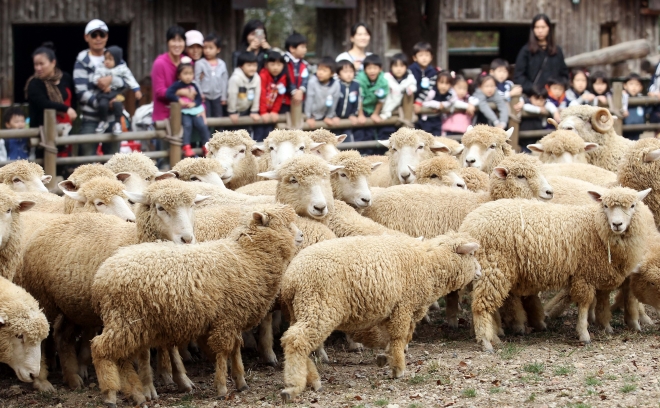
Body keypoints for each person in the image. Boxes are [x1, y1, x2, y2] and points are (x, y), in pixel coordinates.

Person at [73, 19, 120, 155]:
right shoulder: (81, 62)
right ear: (86, 37)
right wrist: (103, 103)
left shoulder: (115, 57)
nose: (98, 38)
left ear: (107, 36)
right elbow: (81, 92)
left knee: (114, 161)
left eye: (102, 34)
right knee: (87, 161)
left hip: (112, 119)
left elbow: (126, 82)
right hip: (90, 118)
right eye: (94, 35)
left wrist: (111, 79)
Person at [91, 46, 142, 135]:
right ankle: (103, 121)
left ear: (117, 60)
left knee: (118, 104)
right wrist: (101, 84)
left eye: (110, 59)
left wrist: (136, 90)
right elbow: (95, 78)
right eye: (106, 58)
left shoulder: (122, 69)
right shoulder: (101, 67)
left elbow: (130, 79)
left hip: (117, 93)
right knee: (102, 104)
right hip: (104, 92)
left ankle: (117, 123)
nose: (107, 61)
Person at [514, 14, 569, 96]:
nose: (540, 31)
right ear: (533, 29)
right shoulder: (526, 51)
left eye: (543, 27)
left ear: (549, 28)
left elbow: (564, 74)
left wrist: (557, 88)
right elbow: (518, 76)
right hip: (533, 96)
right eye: (537, 27)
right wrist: (532, 88)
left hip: (553, 97)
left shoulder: (557, 51)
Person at [27, 43, 77, 131]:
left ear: (53, 62)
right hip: (42, 131)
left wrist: (71, 112)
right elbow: (44, 103)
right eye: (36, 64)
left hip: (67, 127)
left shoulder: (65, 78)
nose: (38, 68)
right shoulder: (34, 83)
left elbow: (73, 99)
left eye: (41, 64)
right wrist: (66, 109)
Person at [166, 57, 209, 157]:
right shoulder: (177, 85)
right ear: (179, 75)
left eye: (190, 73)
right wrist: (178, 99)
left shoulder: (194, 84)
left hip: (194, 110)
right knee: (187, 125)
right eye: (185, 74)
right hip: (184, 111)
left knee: (202, 125)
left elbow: (198, 98)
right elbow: (168, 94)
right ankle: (186, 146)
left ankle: (206, 145)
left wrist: (195, 103)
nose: (188, 76)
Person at [152, 26, 187, 123]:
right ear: (167, 42)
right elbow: (159, 92)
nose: (177, 45)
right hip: (163, 118)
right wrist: (181, 92)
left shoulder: (187, 62)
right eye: (173, 40)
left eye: (180, 41)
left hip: (186, 116)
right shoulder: (160, 63)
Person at [355, 54, 388, 144]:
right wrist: (360, 114)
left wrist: (375, 113)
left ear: (380, 69)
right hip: (361, 108)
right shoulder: (359, 80)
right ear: (365, 69)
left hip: (374, 108)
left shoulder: (383, 81)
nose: (372, 71)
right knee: (360, 132)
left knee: (374, 132)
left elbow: (381, 99)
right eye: (369, 68)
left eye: (375, 68)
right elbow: (359, 99)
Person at [256, 51, 288, 142]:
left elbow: (280, 96)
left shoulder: (283, 78)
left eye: (279, 65)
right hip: (260, 112)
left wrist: (275, 111)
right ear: (266, 65)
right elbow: (261, 94)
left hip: (271, 112)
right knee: (258, 135)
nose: (275, 67)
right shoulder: (263, 75)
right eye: (272, 64)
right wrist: (263, 111)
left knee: (269, 136)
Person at [195, 33, 228, 120]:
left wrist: (224, 97)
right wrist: (200, 94)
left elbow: (224, 81)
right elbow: (197, 80)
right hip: (204, 97)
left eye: (211, 48)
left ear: (218, 49)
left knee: (219, 117)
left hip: (218, 96)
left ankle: (220, 134)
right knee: (207, 117)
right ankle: (208, 134)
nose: (207, 51)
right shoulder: (200, 64)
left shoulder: (222, 64)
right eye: (205, 48)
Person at [227, 52, 261, 128]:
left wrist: (254, 111)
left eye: (255, 65)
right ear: (241, 66)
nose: (252, 68)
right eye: (249, 65)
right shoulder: (235, 79)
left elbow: (257, 94)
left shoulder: (257, 78)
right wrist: (232, 112)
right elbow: (232, 95)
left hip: (247, 110)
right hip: (236, 109)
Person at [304, 57, 340, 129]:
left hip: (324, 115)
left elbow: (334, 101)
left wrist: (329, 116)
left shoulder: (336, 85)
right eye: (319, 69)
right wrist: (308, 117)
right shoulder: (312, 82)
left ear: (332, 73)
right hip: (312, 116)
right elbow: (309, 100)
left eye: (324, 71)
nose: (320, 72)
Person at [419, 70, 453, 136]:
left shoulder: (449, 94)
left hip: (437, 119)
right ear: (437, 82)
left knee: (438, 138)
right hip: (427, 120)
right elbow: (424, 103)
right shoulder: (432, 92)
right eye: (441, 83)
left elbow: (451, 101)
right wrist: (437, 104)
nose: (444, 86)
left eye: (447, 83)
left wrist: (443, 105)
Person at [282, 32, 309, 115]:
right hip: (284, 100)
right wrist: (294, 91)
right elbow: (287, 77)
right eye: (302, 47)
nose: (305, 50)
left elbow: (305, 78)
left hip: (299, 99)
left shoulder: (304, 64)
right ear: (292, 48)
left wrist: (301, 90)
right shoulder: (283, 61)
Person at [410, 42, 439, 117]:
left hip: (424, 100)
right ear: (415, 58)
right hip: (410, 99)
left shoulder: (433, 72)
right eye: (421, 55)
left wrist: (418, 102)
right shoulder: (410, 70)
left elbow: (428, 89)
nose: (424, 58)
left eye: (427, 55)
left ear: (431, 57)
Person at [335, 60, 361, 142]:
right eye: (345, 72)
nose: (349, 74)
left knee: (348, 140)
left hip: (348, 119)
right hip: (335, 118)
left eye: (351, 71)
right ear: (339, 74)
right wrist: (333, 115)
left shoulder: (356, 85)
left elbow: (358, 101)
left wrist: (353, 114)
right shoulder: (336, 84)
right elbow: (331, 102)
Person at [622, 73, 647, 141]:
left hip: (638, 130)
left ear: (641, 87)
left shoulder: (642, 99)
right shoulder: (623, 97)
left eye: (637, 84)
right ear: (625, 85)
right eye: (631, 84)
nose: (634, 87)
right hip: (624, 130)